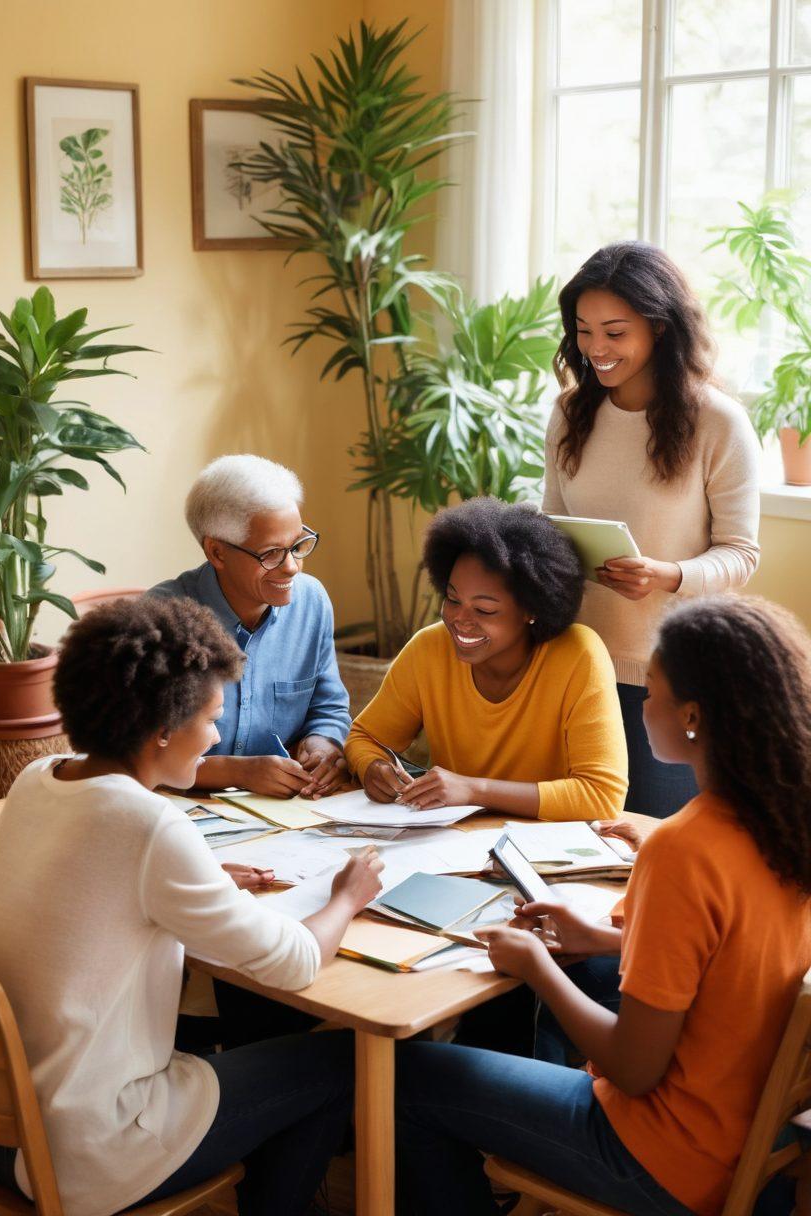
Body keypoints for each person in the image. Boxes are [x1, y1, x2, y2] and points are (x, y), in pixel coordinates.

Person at [395, 595, 811, 1216]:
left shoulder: (682, 850)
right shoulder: (784, 820)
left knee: (404, 1079)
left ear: (692, 716)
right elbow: (741, 953)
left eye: (654, 691)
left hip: (667, 1158)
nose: (642, 705)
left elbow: (634, 1069)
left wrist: (536, 967)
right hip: (759, 1144)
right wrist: (610, 937)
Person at [0, 597, 382, 1216]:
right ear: (162, 729)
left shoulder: (38, 778)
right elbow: (297, 961)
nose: (217, 735)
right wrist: (346, 896)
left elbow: (89, 885)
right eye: (212, 717)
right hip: (81, 1147)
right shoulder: (150, 825)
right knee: (339, 1061)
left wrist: (192, 883)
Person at [543, 242, 760, 818]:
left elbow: (740, 553)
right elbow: (551, 524)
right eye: (584, 331)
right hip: (577, 661)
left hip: (670, 673)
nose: (596, 349)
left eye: (615, 332)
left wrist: (670, 576)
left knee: (648, 840)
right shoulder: (570, 413)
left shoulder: (718, 422)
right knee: (574, 840)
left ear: (660, 328)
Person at [345, 497, 628, 822]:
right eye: (452, 599)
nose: (460, 620)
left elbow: (602, 796)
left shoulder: (579, 655)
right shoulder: (429, 649)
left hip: (543, 852)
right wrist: (373, 767)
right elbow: (365, 737)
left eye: (485, 610)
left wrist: (474, 791)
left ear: (531, 610)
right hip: (452, 845)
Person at [150, 453, 351, 801]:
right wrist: (239, 772)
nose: (292, 567)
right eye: (272, 553)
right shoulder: (160, 619)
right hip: (181, 808)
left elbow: (329, 707)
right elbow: (141, 752)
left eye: (298, 545)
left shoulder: (312, 602)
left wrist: (322, 744)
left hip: (286, 811)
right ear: (217, 553)